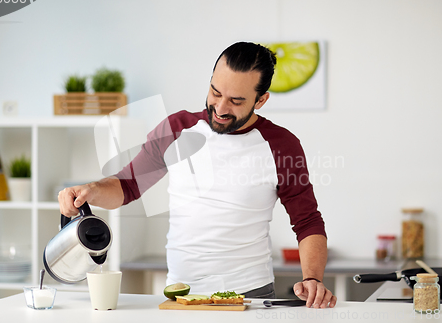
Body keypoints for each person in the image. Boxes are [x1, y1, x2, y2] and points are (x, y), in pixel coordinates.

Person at [58, 42, 337, 308]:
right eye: (215, 92)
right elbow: (128, 185)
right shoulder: (177, 128)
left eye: (236, 101)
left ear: (261, 100)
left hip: (249, 296)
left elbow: (307, 221)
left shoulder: (281, 145)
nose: (221, 108)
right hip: (181, 295)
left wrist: (312, 278)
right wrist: (91, 190)